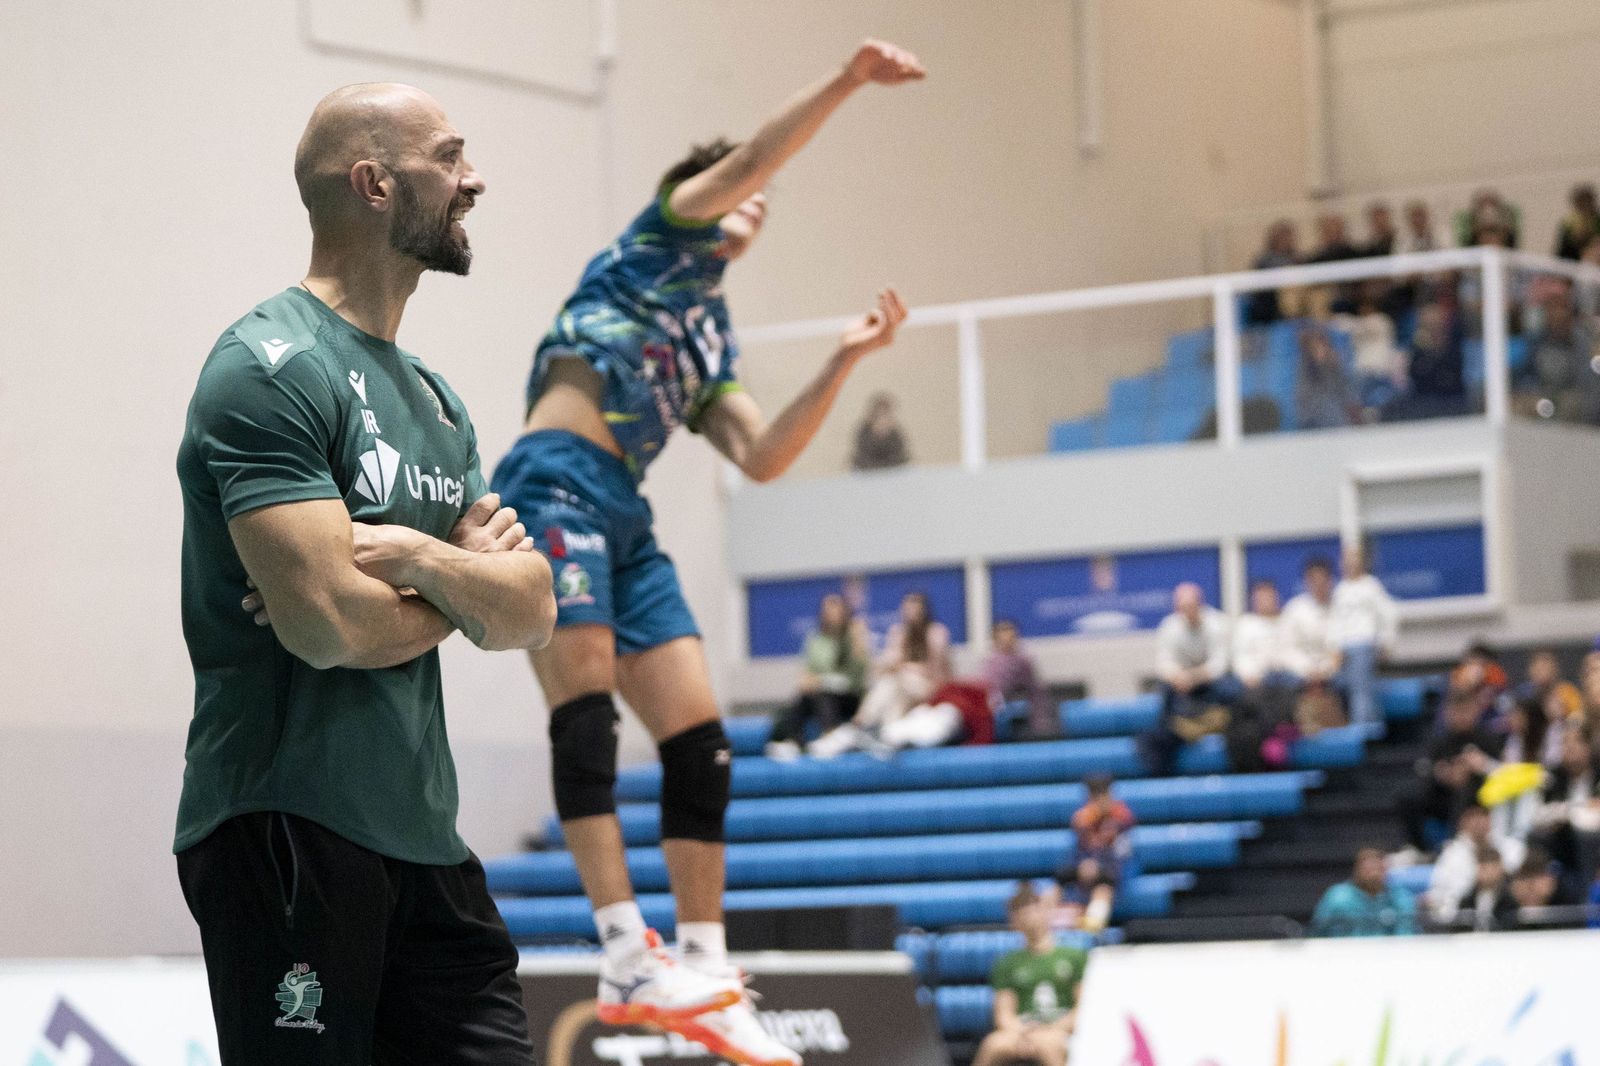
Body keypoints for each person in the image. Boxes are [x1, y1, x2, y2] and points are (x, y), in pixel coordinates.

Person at [488, 39, 925, 1065]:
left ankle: (703, 969)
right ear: (704, 190)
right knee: (585, 707)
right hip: (554, 476)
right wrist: (848, 79)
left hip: (626, 515)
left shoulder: (709, 336)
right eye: (747, 191)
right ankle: (620, 951)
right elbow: (751, 161)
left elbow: (762, 453)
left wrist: (843, 360)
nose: (756, 207)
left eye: (764, 206)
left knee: (701, 743)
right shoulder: (656, 238)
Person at [173, 84, 559, 1065]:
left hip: (427, 841)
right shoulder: (266, 367)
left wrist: (423, 561)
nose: (475, 179)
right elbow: (327, 629)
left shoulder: (434, 399)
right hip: (285, 827)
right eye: (450, 157)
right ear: (375, 183)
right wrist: (463, 590)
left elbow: (531, 608)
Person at [810, 591, 952, 757]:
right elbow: (886, 664)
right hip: (902, 687)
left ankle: (860, 723)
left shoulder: (936, 633)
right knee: (893, 686)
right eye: (907, 608)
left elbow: (936, 672)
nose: (910, 613)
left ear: (924, 610)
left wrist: (904, 667)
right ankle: (887, 736)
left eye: (915, 609)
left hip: (929, 688)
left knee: (898, 679)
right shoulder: (899, 632)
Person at [976, 884, 1088, 1066]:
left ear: (1046, 911)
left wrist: (1052, 1029)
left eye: (1032, 910)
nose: (1028, 917)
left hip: (1059, 1030)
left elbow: (1083, 1008)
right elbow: (1003, 1015)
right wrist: (1024, 1033)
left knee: (1050, 1046)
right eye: (1020, 912)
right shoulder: (1007, 963)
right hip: (1022, 1030)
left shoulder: (1074, 957)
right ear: (1014, 921)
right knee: (992, 1045)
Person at [1141, 583, 1232, 775]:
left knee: (1232, 687)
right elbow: (1163, 663)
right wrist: (1178, 677)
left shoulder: (1217, 623)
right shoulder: (1169, 626)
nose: (1188, 612)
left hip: (1211, 688)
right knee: (1163, 694)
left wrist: (1194, 676)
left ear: (1201, 604)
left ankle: (1220, 721)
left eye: (1192, 606)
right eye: (1183, 608)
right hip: (1182, 689)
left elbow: (1220, 664)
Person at [765, 594, 870, 760]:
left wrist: (821, 681)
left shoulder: (853, 637)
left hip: (849, 696)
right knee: (802, 699)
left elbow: (857, 676)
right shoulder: (815, 639)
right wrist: (809, 681)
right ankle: (794, 741)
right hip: (820, 696)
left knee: (822, 693)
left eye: (835, 609)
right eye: (827, 610)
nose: (831, 614)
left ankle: (830, 734)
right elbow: (807, 672)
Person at [1398, 691, 1503, 853]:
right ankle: (1418, 849)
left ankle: (1454, 845)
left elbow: (1503, 772)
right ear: (1448, 713)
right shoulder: (1439, 741)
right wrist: (1441, 774)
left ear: (1475, 711)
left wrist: (1481, 766)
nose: (1461, 717)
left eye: (1466, 711)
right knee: (1408, 797)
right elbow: (1424, 767)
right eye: (1457, 711)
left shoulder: (1488, 739)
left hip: (1478, 798)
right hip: (1443, 797)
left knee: (1466, 790)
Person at [1332, 545, 1398, 728]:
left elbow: (1388, 614)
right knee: (1350, 686)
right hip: (1345, 649)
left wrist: (1386, 642)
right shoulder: (1341, 589)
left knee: (1361, 688)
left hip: (1365, 644)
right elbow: (1336, 622)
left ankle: (1363, 726)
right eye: (1346, 559)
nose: (1350, 563)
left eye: (1354, 558)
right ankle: (1371, 723)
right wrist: (1336, 647)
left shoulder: (1371, 586)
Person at [1425, 804, 1525, 926]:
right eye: (1472, 817)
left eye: (1482, 816)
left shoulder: (1512, 847)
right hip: (1458, 917)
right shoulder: (1451, 855)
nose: (1478, 822)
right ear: (1462, 822)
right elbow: (1438, 893)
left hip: (1506, 914)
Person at [1063, 776, 1134, 932]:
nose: (1098, 802)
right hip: (1086, 869)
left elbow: (1123, 857)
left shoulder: (1122, 820)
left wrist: (1098, 867)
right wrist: (1082, 866)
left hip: (1115, 871)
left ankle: (1090, 931)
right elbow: (1076, 854)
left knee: (1103, 889)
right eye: (1093, 797)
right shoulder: (1082, 821)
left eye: (1101, 795)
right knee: (1059, 881)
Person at [1310, 847, 1418, 937]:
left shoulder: (1400, 897)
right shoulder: (1338, 897)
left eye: (1378, 869)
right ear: (1357, 871)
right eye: (1368, 870)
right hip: (1345, 955)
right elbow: (1319, 931)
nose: (1373, 875)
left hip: (1390, 957)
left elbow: (1407, 933)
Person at [984, 618, 1056, 740]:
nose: (1007, 638)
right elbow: (985, 688)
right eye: (1002, 634)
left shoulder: (1023, 661)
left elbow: (1036, 691)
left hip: (1010, 710)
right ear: (995, 639)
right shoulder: (989, 662)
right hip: (989, 708)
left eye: (1011, 634)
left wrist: (1042, 724)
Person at [1296, 322, 1359, 429]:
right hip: (1315, 422)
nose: (1320, 350)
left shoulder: (1335, 367)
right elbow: (1304, 400)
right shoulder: (1306, 370)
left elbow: (1347, 392)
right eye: (1315, 348)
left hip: (1337, 421)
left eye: (1322, 346)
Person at [1245, 219, 1300, 326]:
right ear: (1273, 239)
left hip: (1298, 301)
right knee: (1289, 293)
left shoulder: (1298, 257)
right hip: (1270, 304)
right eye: (1282, 237)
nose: (1286, 240)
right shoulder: (1264, 260)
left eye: (1288, 236)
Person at [1457, 845, 1519, 932]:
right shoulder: (1467, 900)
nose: (1488, 872)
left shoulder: (1512, 899)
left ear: (1501, 868)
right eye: (1483, 867)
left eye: (1493, 867)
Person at [850, 390, 912, 471]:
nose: (882, 418)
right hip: (868, 472)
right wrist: (875, 435)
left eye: (885, 413)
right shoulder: (864, 431)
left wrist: (887, 434)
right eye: (879, 414)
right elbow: (862, 455)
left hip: (892, 472)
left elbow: (900, 455)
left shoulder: (895, 433)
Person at [1555, 183, 1600, 261]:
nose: (1585, 206)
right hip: (1572, 262)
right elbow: (1562, 252)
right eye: (1581, 203)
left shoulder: (1597, 221)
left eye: (1587, 202)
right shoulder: (1569, 223)